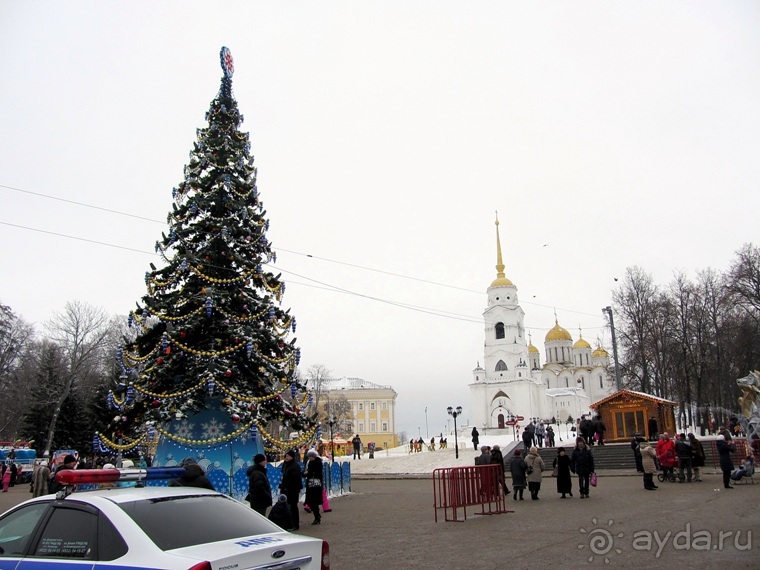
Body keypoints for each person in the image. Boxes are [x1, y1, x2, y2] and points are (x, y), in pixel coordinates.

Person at [279, 449, 303, 530]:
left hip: (292, 490)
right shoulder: (287, 465)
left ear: (292, 457)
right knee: (288, 507)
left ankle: (295, 524)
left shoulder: (294, 466)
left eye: (288, 456)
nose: (286, 457)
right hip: (287, 489)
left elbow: (294, 479)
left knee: (293, 507)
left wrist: (285, 483)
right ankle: (289, 523)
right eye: (286, 456)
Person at [302, 449, 323, 525]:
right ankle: (317, 516)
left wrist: (309, 473)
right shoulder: (310, 462)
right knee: (312, 502)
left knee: (314, 502)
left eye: (311, 456)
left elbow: (316, 473)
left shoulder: (317, 463)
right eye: (309, 456)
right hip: (311, 485)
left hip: (315, 485)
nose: (309, 458)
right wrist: (304, 473)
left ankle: (317, 517)